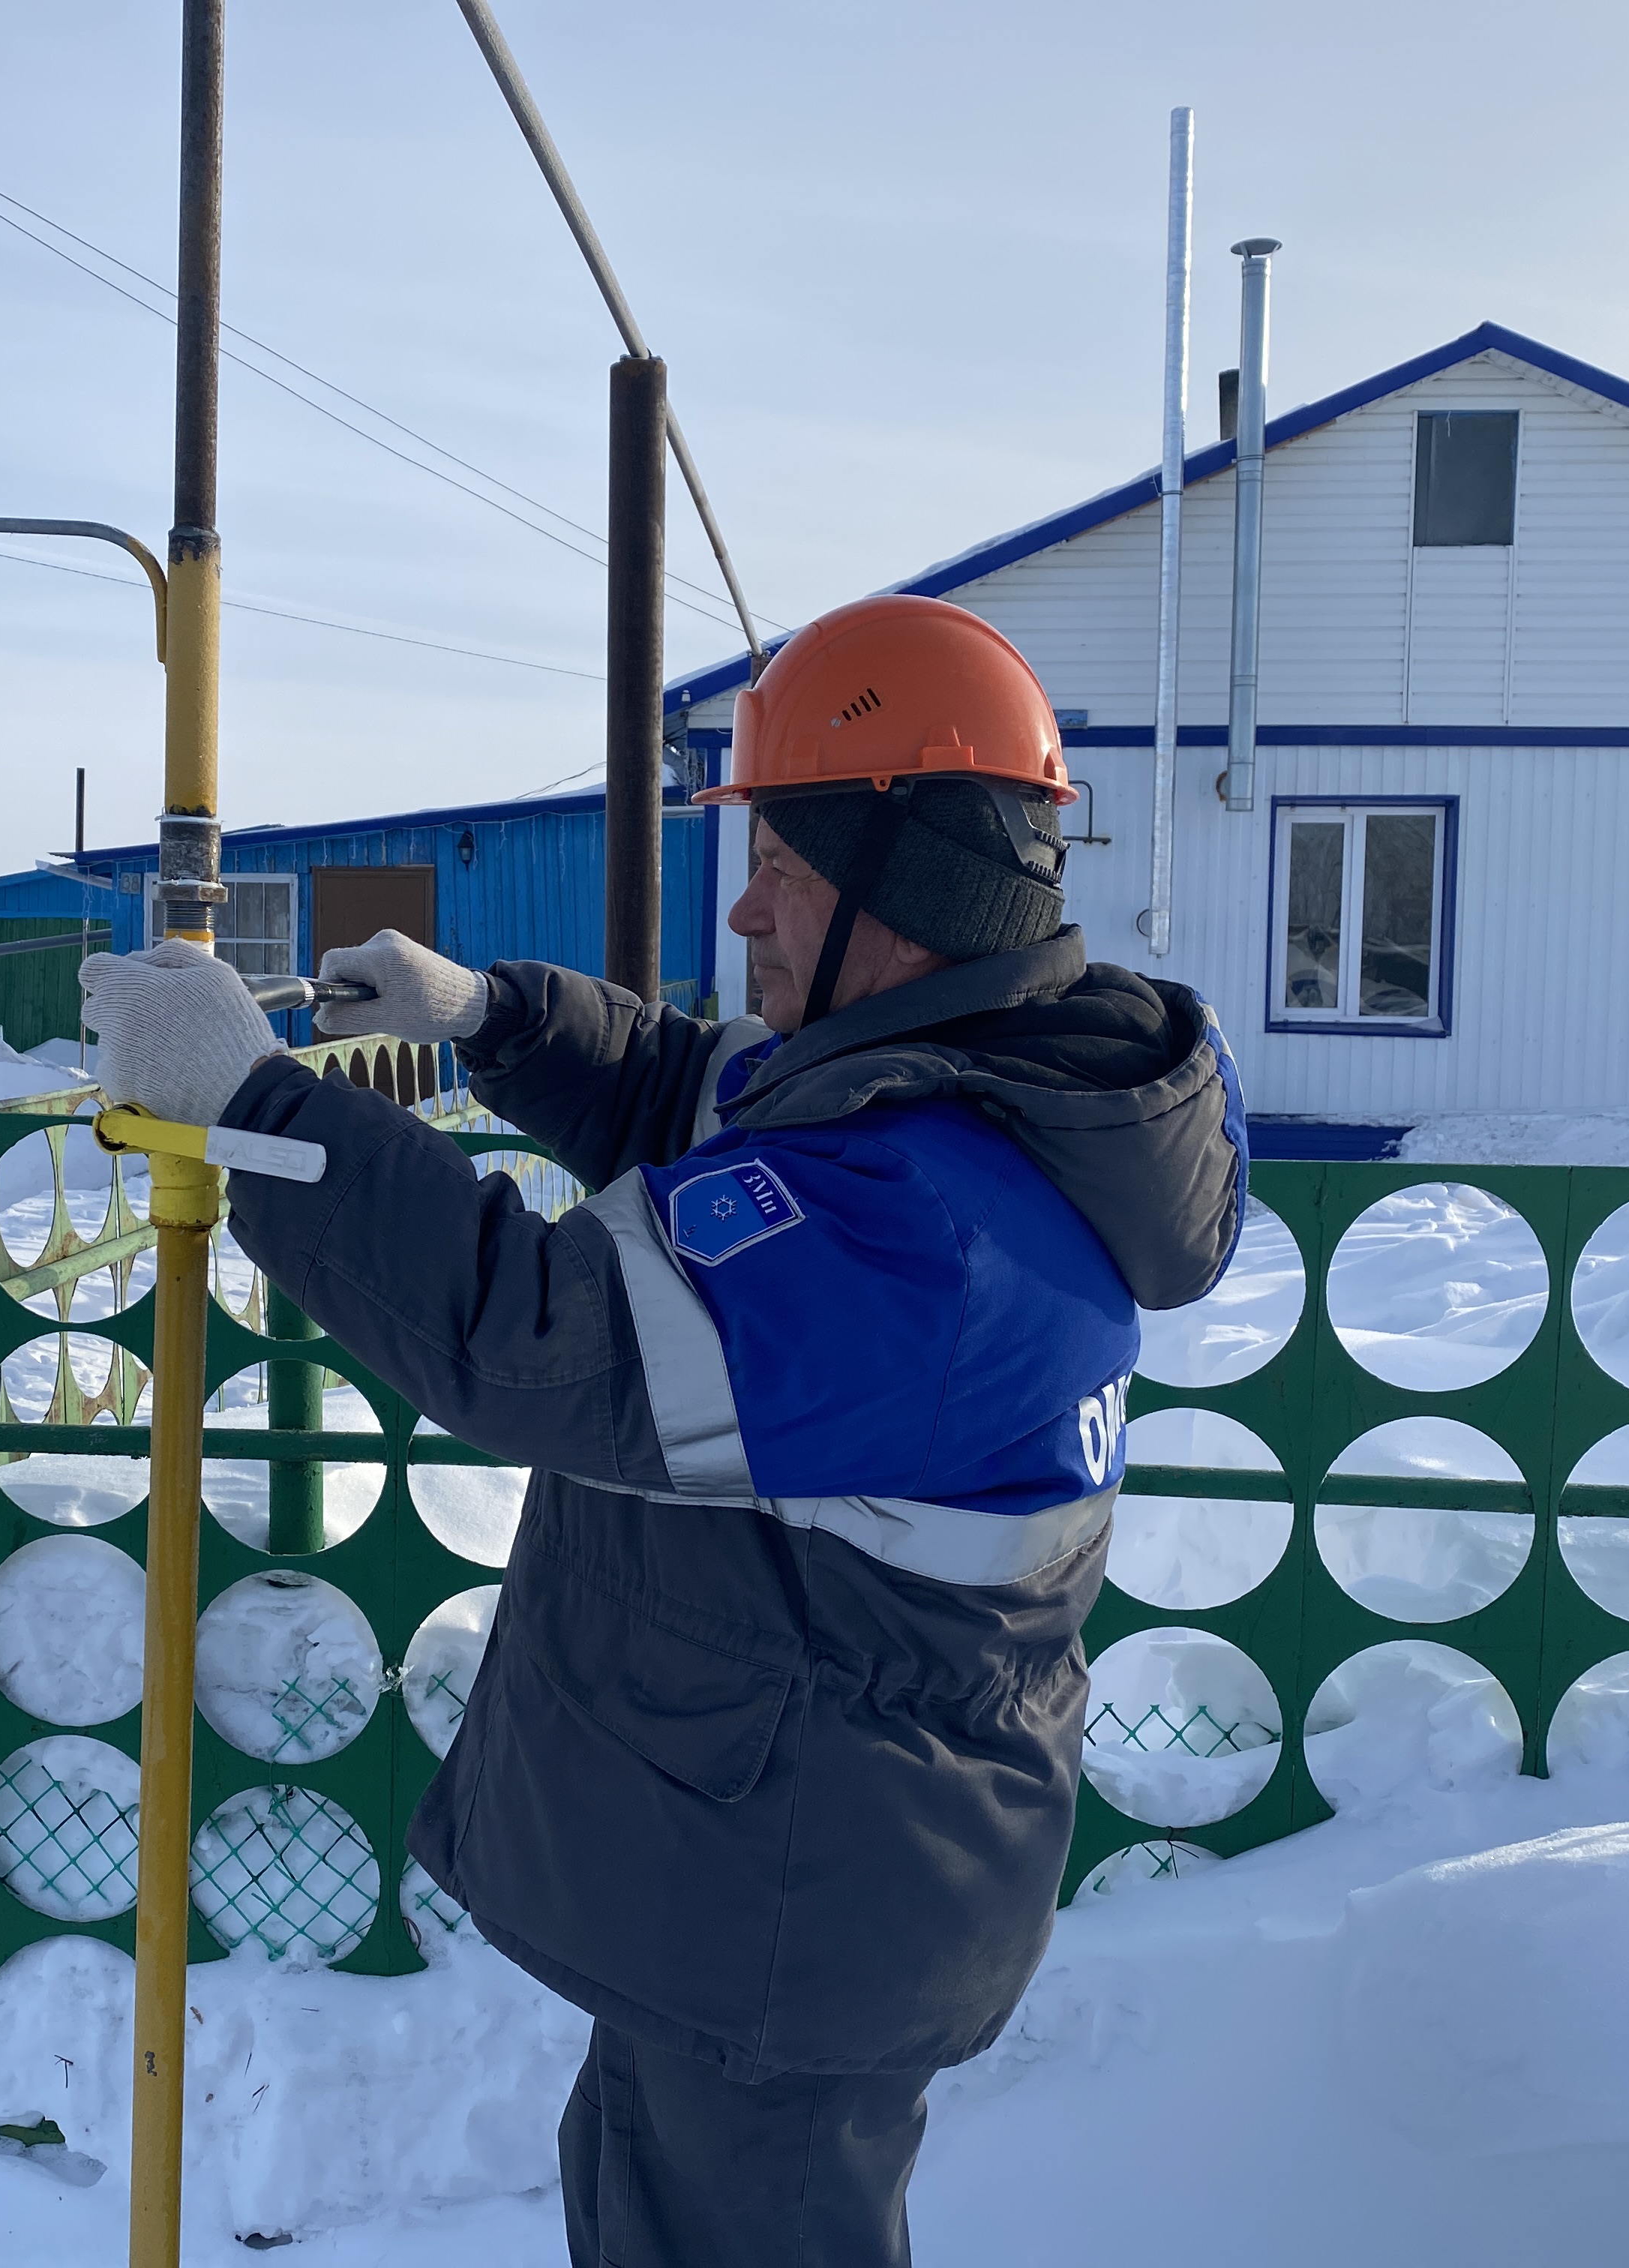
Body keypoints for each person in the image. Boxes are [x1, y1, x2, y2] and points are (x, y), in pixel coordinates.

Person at [81, 592, 1246, 2267]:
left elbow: (539, 1331)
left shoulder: (930, 1228)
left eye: (785, 864)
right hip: (790, 1885)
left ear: (907, 891)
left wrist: (256, 1108)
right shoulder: (952, 1092)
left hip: (787, 1922)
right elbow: (703, 1096)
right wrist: (486, 1014)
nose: (750, 905)